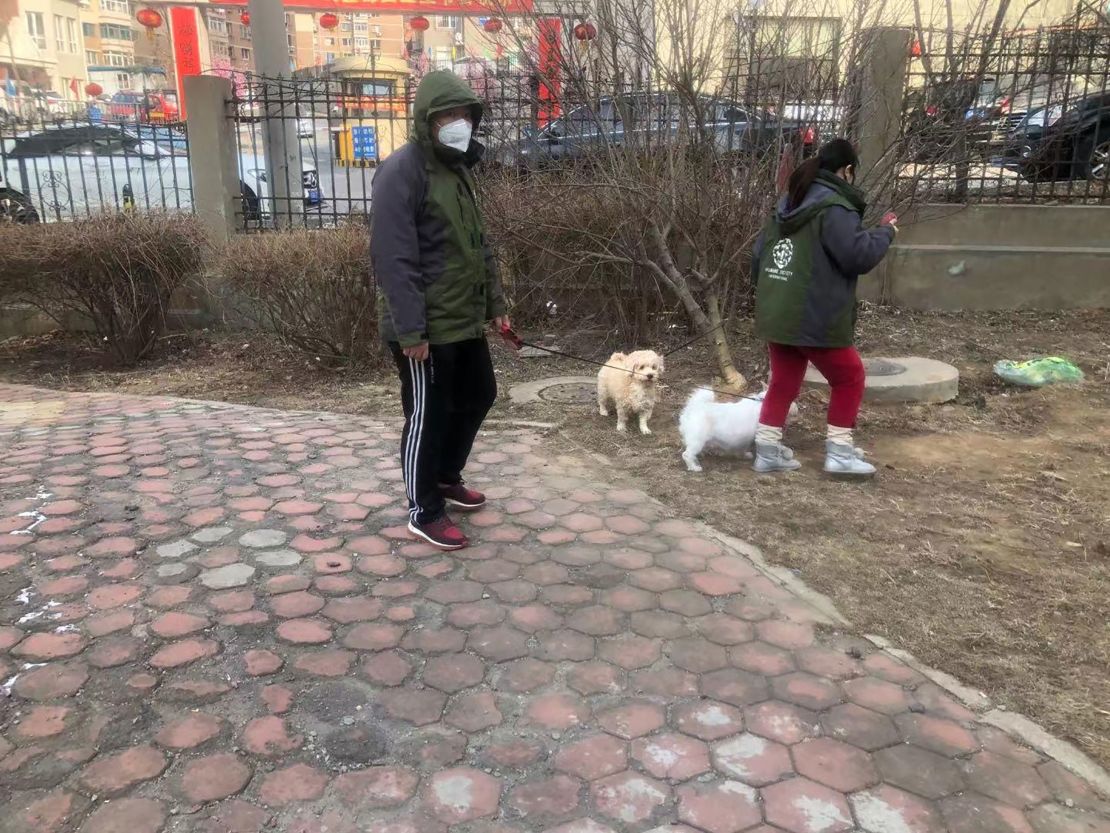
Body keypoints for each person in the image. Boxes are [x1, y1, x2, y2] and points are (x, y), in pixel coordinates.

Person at [370, 70, 509, 550]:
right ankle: (424, 507)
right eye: (448, 114)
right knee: (426, 414)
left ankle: (447, 475)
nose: (458, 123)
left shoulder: (458, 170)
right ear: (427, 119)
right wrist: (411, 331)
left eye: (465, 115)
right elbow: (394, 259)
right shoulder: (401, 171)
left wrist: (496, 305)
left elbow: (478, 246)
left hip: (463, 318)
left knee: (480, 393)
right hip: (423, 326)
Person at [750, 138, 897, 479]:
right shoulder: (835, 207)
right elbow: (856, 255)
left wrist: (774, 295)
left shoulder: (789, 201)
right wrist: (885, 233)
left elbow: (759, 256)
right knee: (849, 377)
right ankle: (841, 454)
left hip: (778, 310)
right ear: (846, 170)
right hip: (813, 313)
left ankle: (768, 451)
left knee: (784, 380)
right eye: (853, 173)